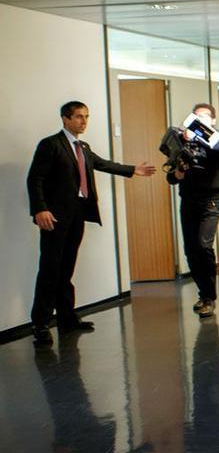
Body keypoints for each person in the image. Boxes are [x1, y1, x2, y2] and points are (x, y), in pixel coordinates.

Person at [27, 101, 155, 346]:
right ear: (65, 119)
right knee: (50, 270)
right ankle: (40, 324)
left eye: (86, 117)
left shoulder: (82, 146)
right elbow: (35, 179)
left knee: (66, 269)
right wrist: (40, 209)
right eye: (78, 117)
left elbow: (102, 164)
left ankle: (67, 319)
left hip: (77, 215)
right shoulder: (51, 145)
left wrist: (132, 170)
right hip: (54, 217)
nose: (83, 122)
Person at [166, 103, 219, 318]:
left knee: (203, 245)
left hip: (211, 201)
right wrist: (178, 174)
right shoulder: (183, 141)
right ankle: (204, 294)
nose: (200, 120)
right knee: (191, 250)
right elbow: (170, 176)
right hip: (189, 200)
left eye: (205, 117)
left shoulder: (218, 140)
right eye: (196, 116)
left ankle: (209, 296)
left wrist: (199, 131)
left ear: (212, 121)